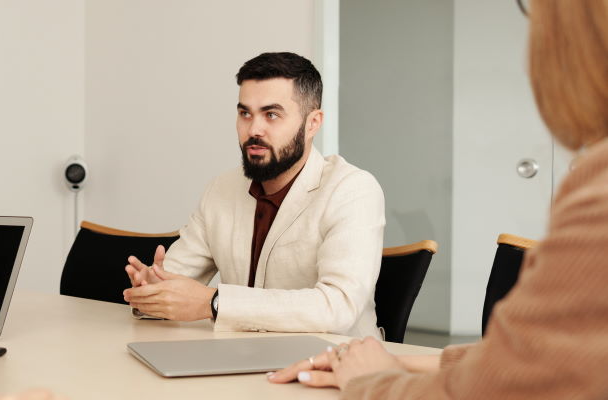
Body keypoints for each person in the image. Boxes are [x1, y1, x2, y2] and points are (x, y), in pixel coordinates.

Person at [269, 0, 608, 397]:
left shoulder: (597, 190)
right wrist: (402, 360)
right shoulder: (224, 190)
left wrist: (369, 380)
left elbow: (498, 388)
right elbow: (542, 359)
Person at [124, 52, 385, 337]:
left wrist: (213, 303)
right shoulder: (220, 190)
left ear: (313, 123)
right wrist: (151, 292)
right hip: (243, 361)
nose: (254, 129)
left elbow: (338, 307)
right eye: (245, 113)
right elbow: (171, 284)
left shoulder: (352, 190)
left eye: (271, 114)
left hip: (334, 368)